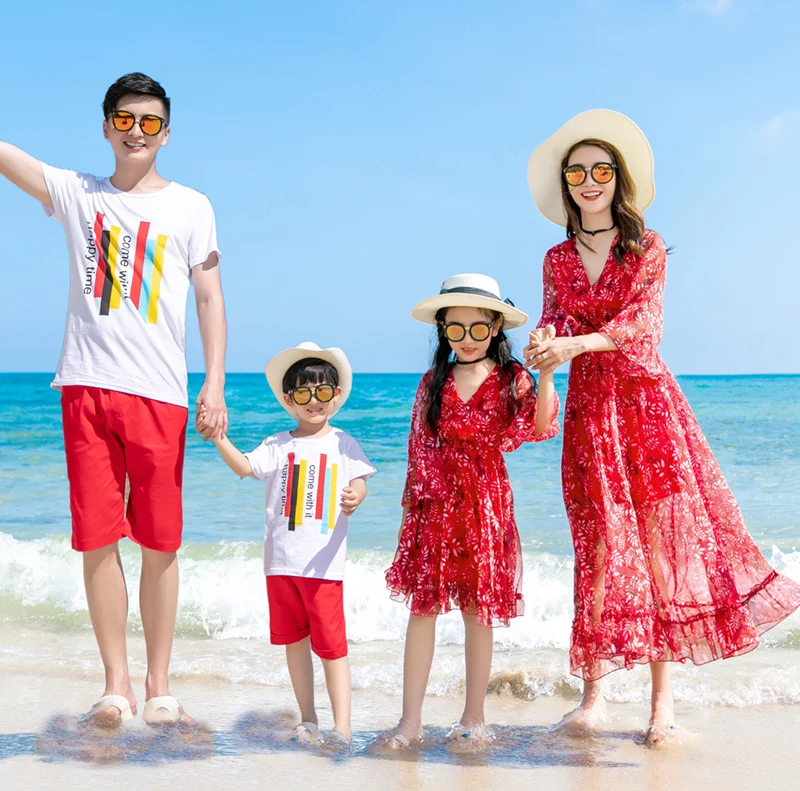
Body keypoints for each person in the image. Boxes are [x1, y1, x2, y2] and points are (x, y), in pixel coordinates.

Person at [524, 109, 800, 745]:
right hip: (591, 413)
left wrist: (575, 345)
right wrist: (545, 347)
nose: (588, 181)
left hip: (646, 408)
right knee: (596, 549)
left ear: (617, 180)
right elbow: (554, 325)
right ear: (566, 185)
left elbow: (643, 333)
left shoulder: (646, 248)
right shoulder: (556, 258)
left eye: (600, 170)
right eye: (577, 172)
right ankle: (592, 695)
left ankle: (660, 702)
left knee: (658, 547)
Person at [0, 72, 228, 726]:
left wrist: (213, 381)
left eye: (150, 122)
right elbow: (8, 156)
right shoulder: (78, 195)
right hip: (86, 390)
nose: (136, 131)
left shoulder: (191, 206)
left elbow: (210, 298)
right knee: (97, 541)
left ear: (165, 133)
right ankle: (116, 684)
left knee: (160, 545)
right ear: (105, 126)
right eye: (124, 120)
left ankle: (159, 684)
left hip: (160, 395)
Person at [379, 274, 559, 752]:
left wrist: (546, 375)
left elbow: (541, 427)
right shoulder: (431, 382)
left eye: (477, 329)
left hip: (486, 504)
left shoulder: (512, 377)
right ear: (442, 331)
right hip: (436, 506)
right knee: (424, 610)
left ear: (497, 327)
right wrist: (409, 523)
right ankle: (410, 721)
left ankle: (473, 717)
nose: (466, 339)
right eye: (454, 330)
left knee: (479, 611)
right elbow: (418, 453)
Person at [205, 343, 375, 746]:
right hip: (281, 564)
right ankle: (308, 718)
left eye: (322, 392)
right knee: (295, 643)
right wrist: (219, 438)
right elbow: (246, 467)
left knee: (332, 648)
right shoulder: (278, 444)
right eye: (303, 393)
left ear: (336, 396)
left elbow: (360, 480)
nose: (313, 401)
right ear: (288, 399)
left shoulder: (343, 443)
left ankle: (343, 726)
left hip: (322, 568)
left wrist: (356, 495)